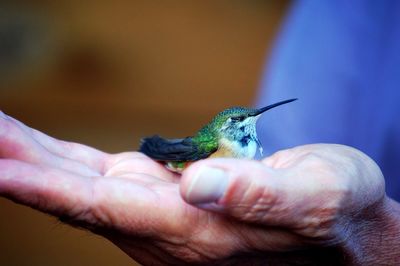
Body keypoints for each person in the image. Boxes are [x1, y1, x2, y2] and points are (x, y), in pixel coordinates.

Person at [1, 1, 399, 265]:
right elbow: (193, 151)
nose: (250, 122)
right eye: (239, 121)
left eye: (249, 119)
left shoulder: (253, 145)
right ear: (226, 129)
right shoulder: (215, 143)